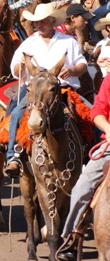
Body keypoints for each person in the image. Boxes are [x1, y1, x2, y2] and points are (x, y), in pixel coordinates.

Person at [4, 3, 88, 177]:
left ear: (52, 21)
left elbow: (82, 65)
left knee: (90, 115)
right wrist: (21, 66)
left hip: (63, 90)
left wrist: (72, 70)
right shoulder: (29, 43)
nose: (38, 25)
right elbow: (15, 69)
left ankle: (90, 154)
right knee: (18, 114)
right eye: (36, 22)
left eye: (42, 21)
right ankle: (13, 156)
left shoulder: (68, 42)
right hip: (36, 92)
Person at [56, 72, 110, 261]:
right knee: (82, 185)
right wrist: (108, 129)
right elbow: (97, 111)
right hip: (109, 147)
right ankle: (72, 237)